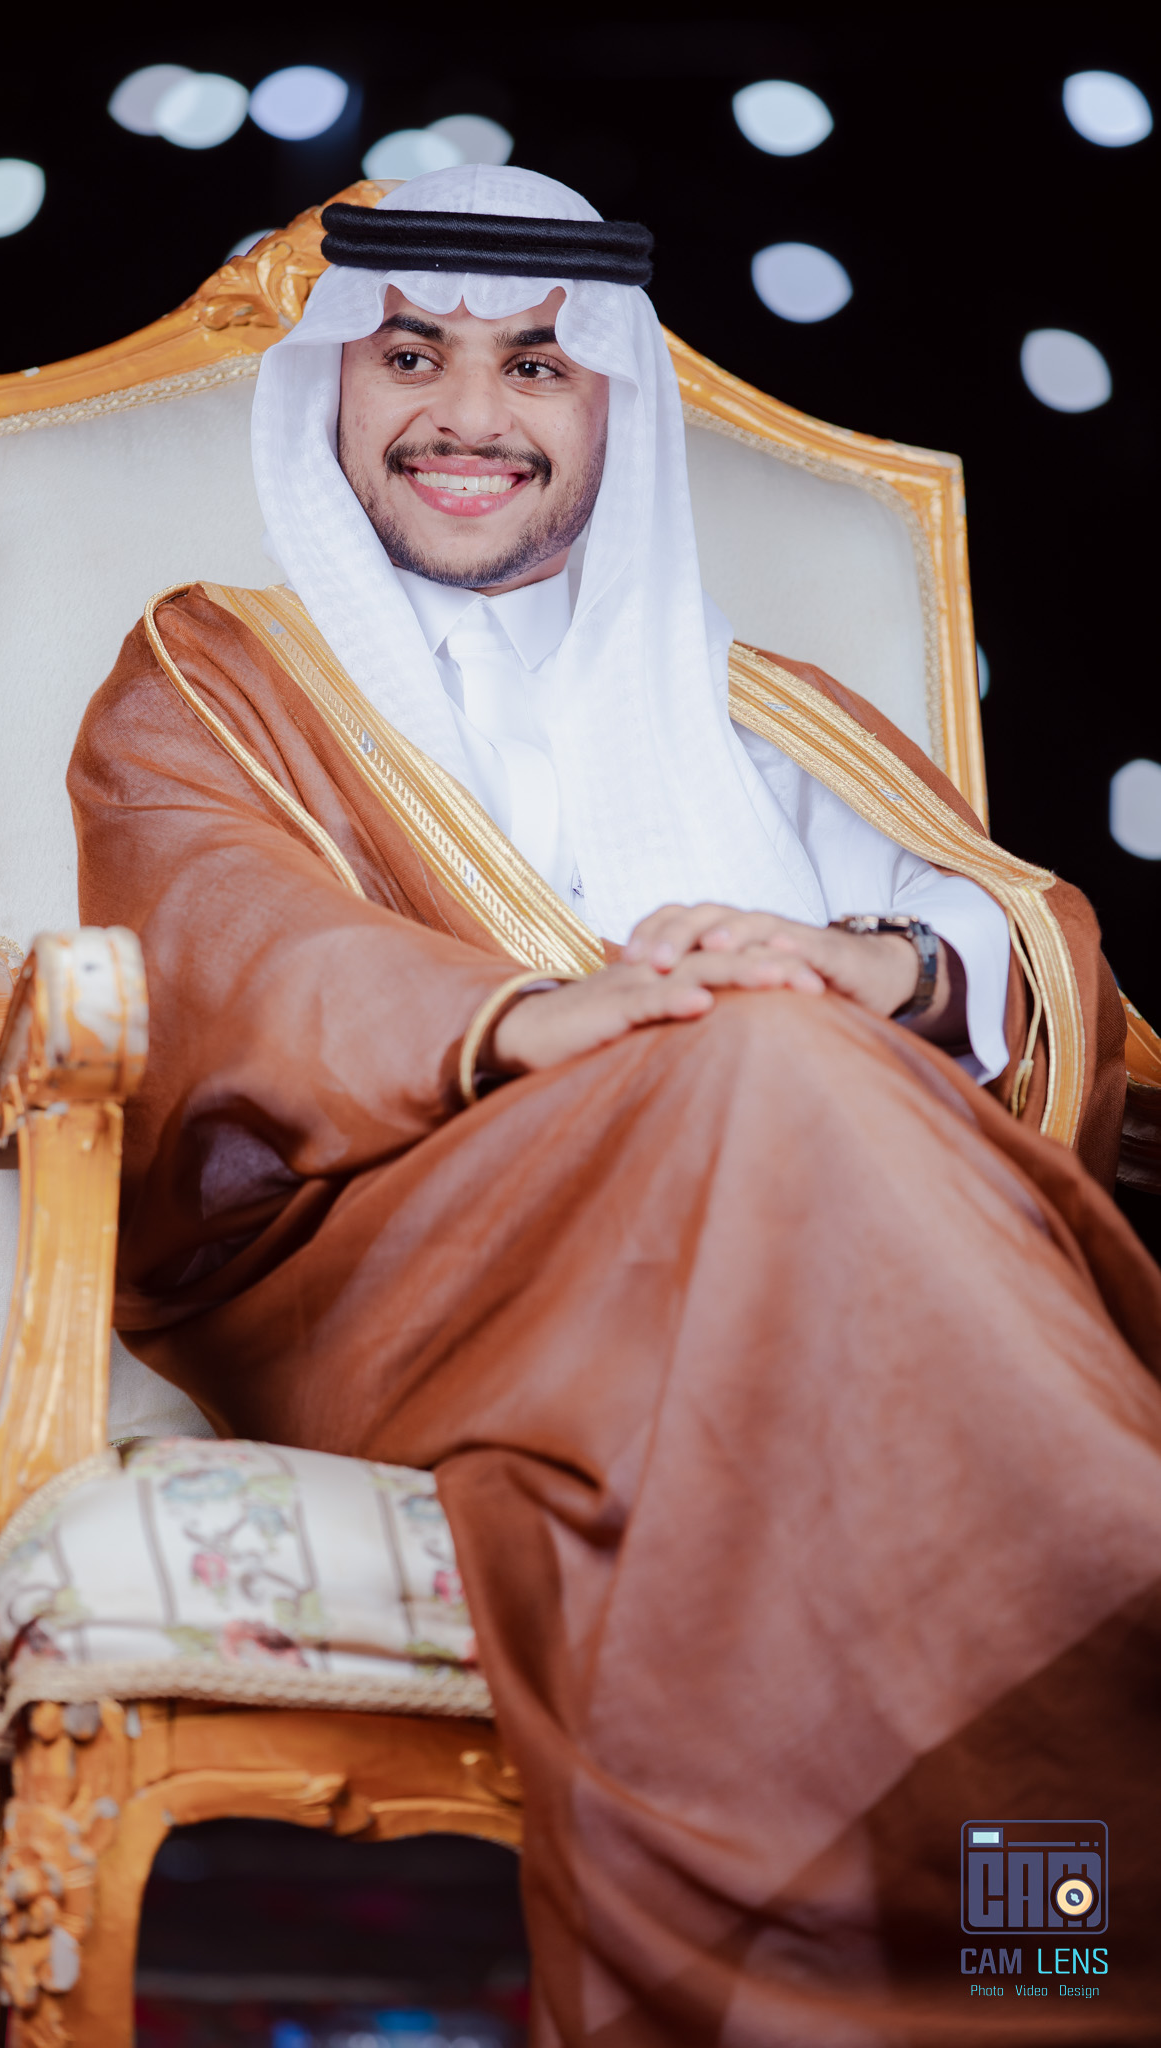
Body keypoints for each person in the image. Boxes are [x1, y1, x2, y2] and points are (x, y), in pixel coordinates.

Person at [69, 167, 1161, 2044]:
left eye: (535, 367)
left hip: (805, 1292)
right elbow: (223, 950)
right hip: (400, 1275)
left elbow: (1042, 955)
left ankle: (1039, 1961)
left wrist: (871, 965)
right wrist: (530, 1016)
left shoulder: (764, 706)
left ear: (612, 408)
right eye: (410, 354)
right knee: (761, 1056)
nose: (467, 415)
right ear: (331, 382)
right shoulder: (214, 675)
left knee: (789, 1052)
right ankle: (1119, 1555)